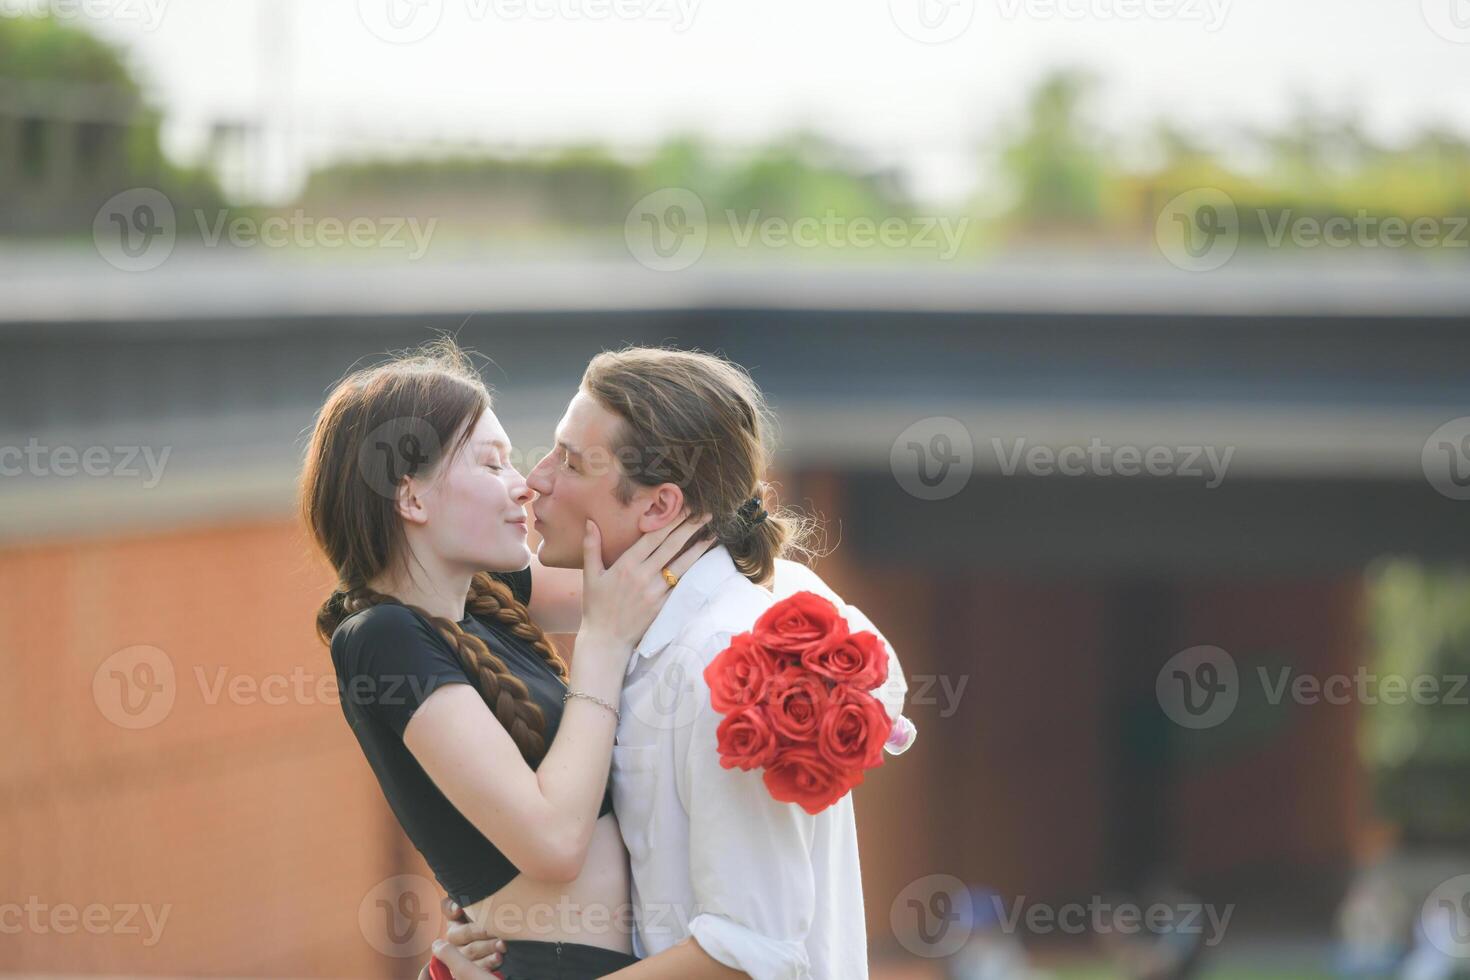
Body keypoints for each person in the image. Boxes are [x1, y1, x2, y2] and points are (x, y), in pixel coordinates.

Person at [434, 347, 912, 979]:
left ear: (658, 507)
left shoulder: (723, 663)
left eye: (571, 462)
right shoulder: (656, 637)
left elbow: (749, 952)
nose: (536, 479)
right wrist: (507, 934)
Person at [303, 340, 714, 978]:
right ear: (411, 498)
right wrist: (601, 646)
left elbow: (669, 579)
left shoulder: (489, 598)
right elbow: (552, 842)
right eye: (493, 466)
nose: (523, 486)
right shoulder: (380, 639)